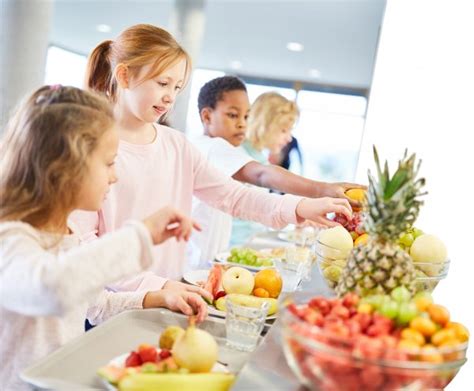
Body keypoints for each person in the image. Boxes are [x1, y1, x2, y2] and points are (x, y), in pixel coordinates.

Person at [70, 24, 353, 319]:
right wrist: (157, 287)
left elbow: (235, 197)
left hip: (173, 299)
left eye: (177, 87)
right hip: (116, 310)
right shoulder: (90, 150)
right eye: (162, 83)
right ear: (125, 76)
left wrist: (301, 206)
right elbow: (86, 249)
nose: (170, 97)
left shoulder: (176, 145)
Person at [0, 86, 205, 389]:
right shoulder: (10, 236)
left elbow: (94, 305)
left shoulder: (66, 229)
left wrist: (154, 298)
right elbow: (52, 290)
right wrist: (141, 235)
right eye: (109, 162)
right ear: (64, 166)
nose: (115, 176)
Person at [189, 76, 365, 265]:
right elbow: (262, 174)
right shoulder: (214, 147)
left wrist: (301, 211)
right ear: (206, 116)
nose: (242, 124)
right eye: (233, 115)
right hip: (202, 258)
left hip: (207, 255)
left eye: (246, 116)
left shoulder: (212, 148)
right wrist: (323, 189)